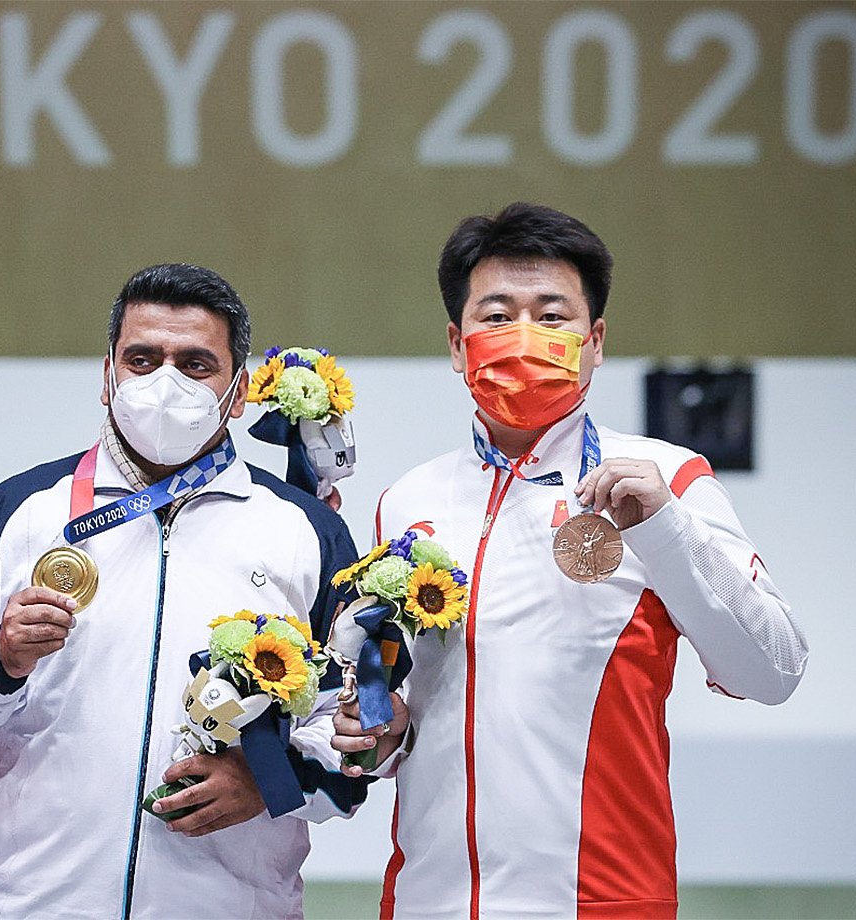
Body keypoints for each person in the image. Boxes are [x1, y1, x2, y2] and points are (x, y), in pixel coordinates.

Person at [330, 203, 808, 920]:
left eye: (552, 315)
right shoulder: (409, 500)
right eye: (497, 315)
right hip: (429, 898)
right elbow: (416, 704)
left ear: (596, 340)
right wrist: (384, 732)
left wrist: (668, 532)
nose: (524, 335)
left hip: (602, 900)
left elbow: (774, 670)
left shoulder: (665, 479)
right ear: (458, 344)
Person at [0, 263, 368, 919]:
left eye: (196, 364)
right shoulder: (19, 513)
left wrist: (269, 781)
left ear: (238, 392)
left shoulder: (306, 529)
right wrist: (1, 660)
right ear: (108, 377)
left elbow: (359, 727)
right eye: (143, 359)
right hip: (39, 906)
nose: (165, 383)